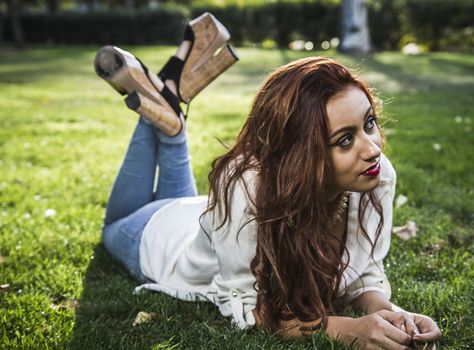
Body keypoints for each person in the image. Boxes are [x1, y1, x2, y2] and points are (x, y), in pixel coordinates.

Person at [101, 54, 442, 349]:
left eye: (369, 123)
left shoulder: (374, 172)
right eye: (344, 140)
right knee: (112, 226)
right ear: (300, 156)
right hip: (154, 235)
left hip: (203, 215)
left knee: (178, 182)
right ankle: (165, 119)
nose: (372, 148)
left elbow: (364, 274)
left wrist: (391, 313)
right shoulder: (246, 188)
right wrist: (348, 329)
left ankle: (171, 115)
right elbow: (249, 308)